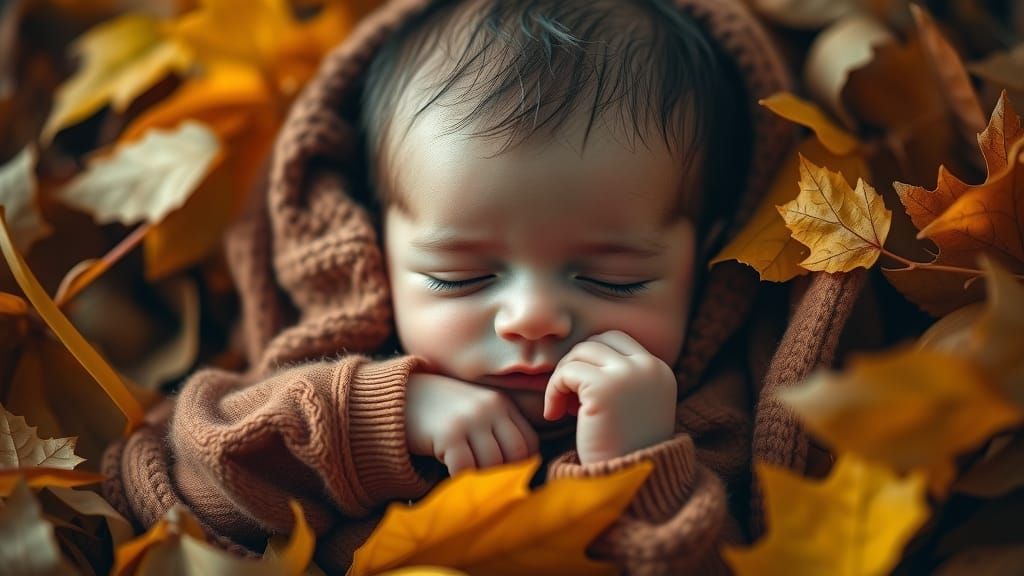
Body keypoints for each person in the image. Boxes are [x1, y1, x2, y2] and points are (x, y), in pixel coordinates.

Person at [101, 0, 848, 574]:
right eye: (459, 276)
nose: (531, 318)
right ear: (375, 247)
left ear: (706, 257)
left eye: (613, 278)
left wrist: (643, 470)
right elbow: (174, 489)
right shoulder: (327, 367)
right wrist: (370, 422)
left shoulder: (711, 420)